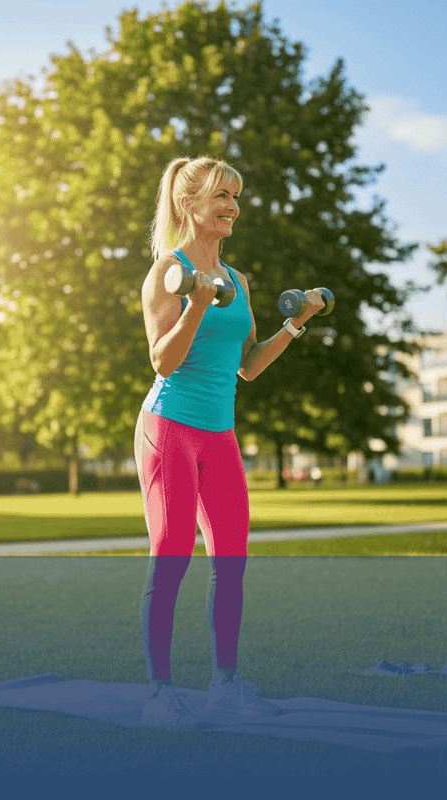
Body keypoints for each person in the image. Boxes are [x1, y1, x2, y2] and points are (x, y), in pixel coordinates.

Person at [135, 155, 326, 730]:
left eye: (236, 196)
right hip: (169, 428)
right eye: (222, 195)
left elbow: (246, 365)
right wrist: (195, 304)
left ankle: (225, 685)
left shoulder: (238, 281)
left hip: (219, 434)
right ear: (188, 203)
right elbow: (163, 361)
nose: (233, 207)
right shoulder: (167, 271)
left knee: (231, 560)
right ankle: (159, 692)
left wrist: (295, 324)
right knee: (172, 555)